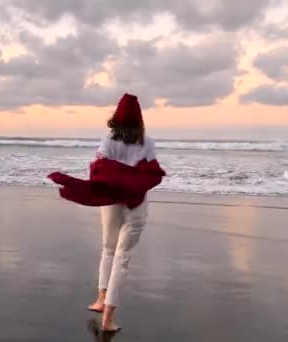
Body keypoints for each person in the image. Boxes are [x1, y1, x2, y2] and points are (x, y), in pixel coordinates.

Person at [85, 93, 157, 332]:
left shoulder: (108, 140)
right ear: (139, 118)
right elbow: (150, 172)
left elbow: (98, 167)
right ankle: (108, 319)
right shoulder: (147, 142)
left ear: (116, 116)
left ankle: (100, 300)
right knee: (122, 257)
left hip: (112, 201)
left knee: (108, 249)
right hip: (136, 204)